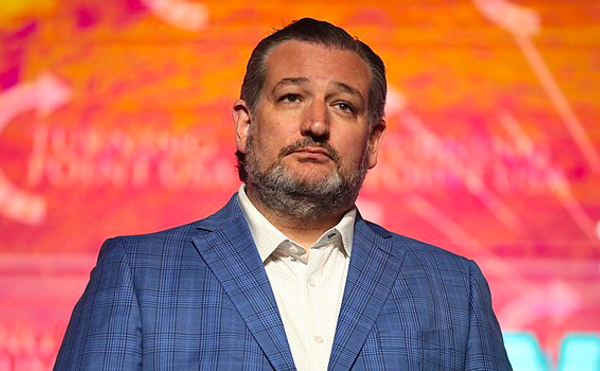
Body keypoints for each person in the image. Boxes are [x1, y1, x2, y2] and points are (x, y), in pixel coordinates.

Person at [55, 18, 512, 370]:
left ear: (373, 142)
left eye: (343, 105)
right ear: (245, 124)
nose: (316, 124)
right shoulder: (139, 274)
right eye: (292, 97)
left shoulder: (453, 289)